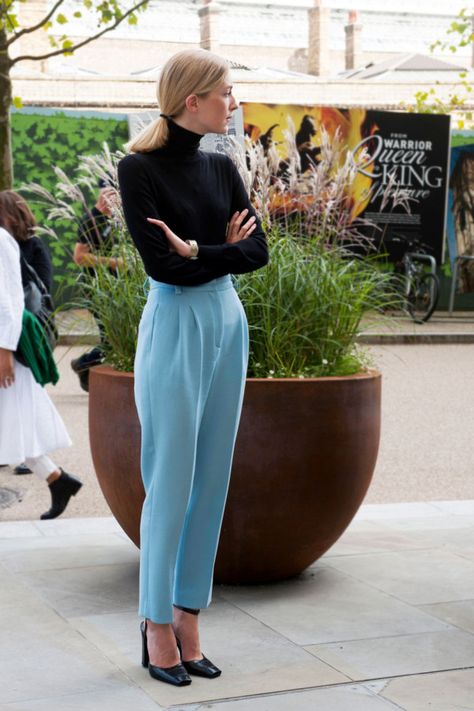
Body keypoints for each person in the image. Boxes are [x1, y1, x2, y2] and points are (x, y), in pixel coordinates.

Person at [118, 48, 268, 687]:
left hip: (226, 322)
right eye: (227, 93)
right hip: (176, 322)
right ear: (193, 100)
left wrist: (204, 249)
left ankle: (188, 615)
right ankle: (155, 624)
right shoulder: (138, 169)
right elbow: (163, 267)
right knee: (169, 479)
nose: (233, 104)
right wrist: (220, 251)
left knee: (212, 478)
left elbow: (257, 251)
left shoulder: (224, 168)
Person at [0, 211, 83, 520]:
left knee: (15, 419)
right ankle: (57, 480)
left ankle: (57, 480)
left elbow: (8, 303)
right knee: (15, 421)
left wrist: (5, 351)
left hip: (4, 348)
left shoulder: (2, 241)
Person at [70, 183, 123, 391]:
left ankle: (87, 375)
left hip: (115, 288)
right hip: (97, 289)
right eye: (109, 194)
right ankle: (82, 363)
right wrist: (114, 262)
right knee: (111, 339)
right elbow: (79, 257)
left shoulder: (116, 218)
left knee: (111, 337)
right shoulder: (90, 220)